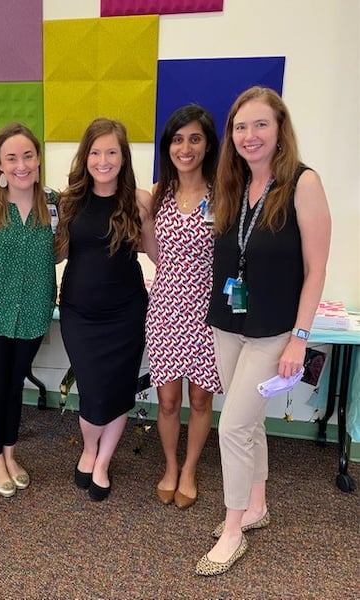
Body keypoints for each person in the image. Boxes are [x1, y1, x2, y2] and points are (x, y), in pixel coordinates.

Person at [196, 86, 331, 575]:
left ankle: (232, 530)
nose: (249, 135)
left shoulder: (302, 182)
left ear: (279, 129)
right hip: (228, 324)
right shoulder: (233, 185)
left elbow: (315, 269)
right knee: (247, 422)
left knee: (231, 426)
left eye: (259, 125)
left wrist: (300, 336)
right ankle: (257, 505)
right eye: (240, 127)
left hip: (274, 329)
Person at [56, 117, 155, 501]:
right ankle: (88, 447)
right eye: (96, 152)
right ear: (86, 156)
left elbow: (156, 253)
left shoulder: (138, 200)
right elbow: (59, 252)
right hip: (79, 311)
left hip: (126, 312)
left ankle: (102, 460)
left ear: (123, 156)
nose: (103, 159)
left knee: (117, 388)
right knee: (93, 387)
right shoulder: (69, 200)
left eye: (111, 151)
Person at [0, 123, 57, 498]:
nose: (21, 165)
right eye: (12, 158)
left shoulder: (54, 201)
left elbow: (62, 249)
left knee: (15, 386)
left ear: (38, 159)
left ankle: (9, 453)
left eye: (28, 156)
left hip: (33, 312)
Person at [146, 104, 221, 509]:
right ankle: (171, 466)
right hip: (166, 308)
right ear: (168, 146)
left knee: (201, 400)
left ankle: (191, 468)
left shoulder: (224, 195)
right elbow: (155, 250)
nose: (185, 147)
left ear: (208, 144)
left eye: (194, 138)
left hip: (208, 314)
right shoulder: (160, 194)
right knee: (169, 400)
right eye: (177, 139)